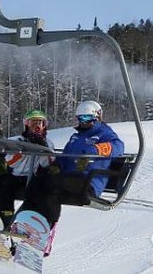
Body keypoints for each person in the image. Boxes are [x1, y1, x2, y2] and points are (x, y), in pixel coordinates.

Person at [18, 100, 124, 235]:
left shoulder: (104, 134)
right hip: (69, 179)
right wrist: (57, 165)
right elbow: (65, 156)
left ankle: (48, 230)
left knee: (51, 184)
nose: (83, 121)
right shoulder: (76, 137)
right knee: (37, 182)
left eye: (87, 118)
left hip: (88, 183)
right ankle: (26, 222)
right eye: (80, 118)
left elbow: (119, 146)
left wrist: (92, 151)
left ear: (97, 117)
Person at [0, 109, 56, 228]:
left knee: (34, 192)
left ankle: (26, 222)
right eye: (33, 123)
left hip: (34, 176)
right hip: (17, 175)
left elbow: (47, 164)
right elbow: (10, 162)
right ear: (27, 124)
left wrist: (43, 148)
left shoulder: (48, 142)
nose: (37, 126)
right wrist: (23, 151)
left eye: (40, 123)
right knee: (5, 187)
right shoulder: (18, 141)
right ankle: (5, 217)